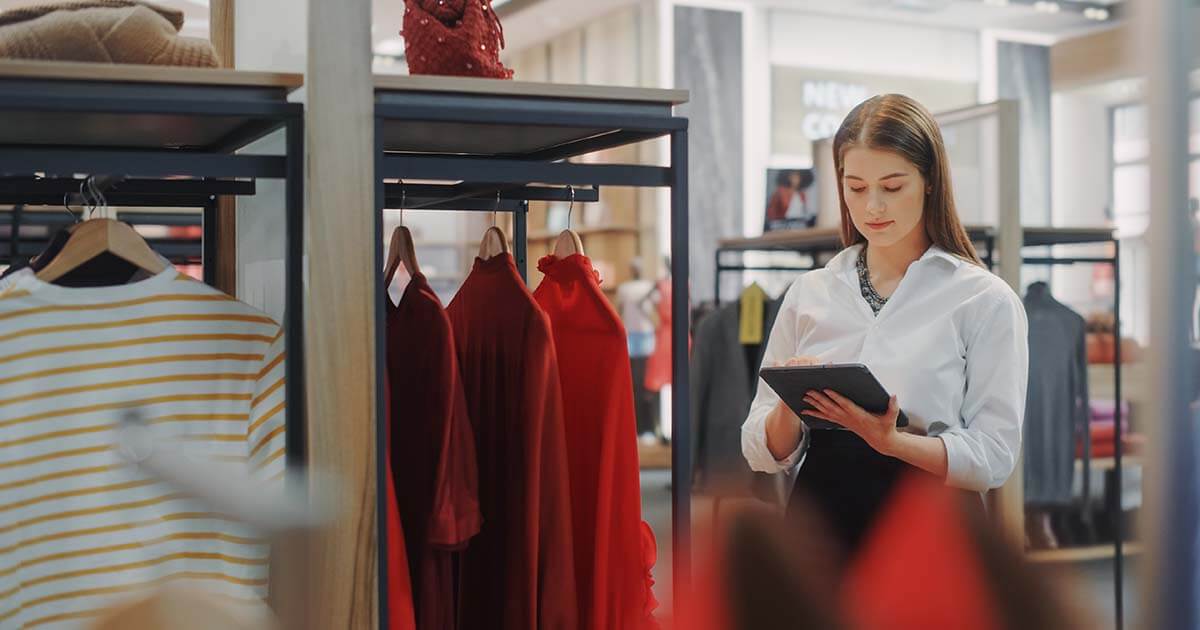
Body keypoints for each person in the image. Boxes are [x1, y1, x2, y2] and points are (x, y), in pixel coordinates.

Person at [741, 94, 1029, 551]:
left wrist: (891, 442)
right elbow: (760, 451)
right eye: (856, 188)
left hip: (931, 534)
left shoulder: (983, 299)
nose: (873, 206)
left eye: (892, 187)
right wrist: (789, 404)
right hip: (819, 531)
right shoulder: (810, 292)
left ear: (930, 180)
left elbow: (994, 457)